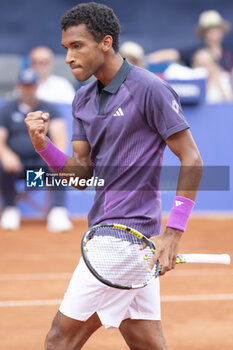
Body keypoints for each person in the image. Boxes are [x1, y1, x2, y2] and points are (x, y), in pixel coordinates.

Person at [25, 3, 203, 349]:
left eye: (77, 46)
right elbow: (81, 174)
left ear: (105, 43)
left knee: (59, 339)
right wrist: (43, 145)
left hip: (123, 240)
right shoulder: (82, 100)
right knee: (145, 341)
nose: (68, 57)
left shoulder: (150, 88)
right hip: (122, 238)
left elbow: (192, 159)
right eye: (65, 48)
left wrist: (174, 232)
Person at [0, 68, 73, 232]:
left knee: (60, 165)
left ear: (36, 86)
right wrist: (6, 155)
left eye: (31, 85)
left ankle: (58, 211)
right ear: (18, 86)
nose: (27, 89)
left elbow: (60, 136)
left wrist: (57, 159)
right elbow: (0, 139)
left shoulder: (49, 109)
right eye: (24, 85)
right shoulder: (6, 110)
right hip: (16, 167)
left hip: (41, 167)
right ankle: (10, 209)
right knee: (2, 164)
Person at [148, 10, 233, 73]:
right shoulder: (196, 52)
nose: (215, 34)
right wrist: (146, 60)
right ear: (204, 33)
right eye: (211, 31)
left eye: (217, 30)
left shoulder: (228, 53)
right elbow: (171, 54)